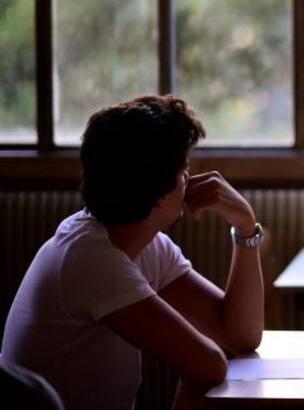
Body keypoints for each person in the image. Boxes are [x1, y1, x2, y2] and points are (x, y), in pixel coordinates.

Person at [0, 95, 264, 410]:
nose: (189, 180)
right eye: (185, 169)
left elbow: (241, 336)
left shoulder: (145, 245)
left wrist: (245, 225)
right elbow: (209, 365)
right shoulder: (89, 257)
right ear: (162, 194)